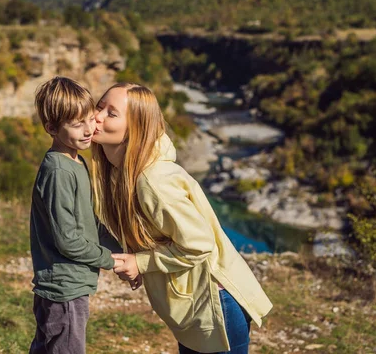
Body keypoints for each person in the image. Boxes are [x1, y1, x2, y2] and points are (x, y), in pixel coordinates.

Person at [91, 83, 273, 354]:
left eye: (111, 113)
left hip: (215, 305)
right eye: (99, 106)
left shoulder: (152, 181)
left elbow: (200, 244)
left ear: (135, 130)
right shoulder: (123, 173)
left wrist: (141, 263)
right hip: (198, 307)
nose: (97, 116)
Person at [29, 77, 122, 354]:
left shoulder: (76, 161)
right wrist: (108, 260)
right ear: (52, 128)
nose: (87, 130)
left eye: (88, 119)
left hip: (67, 287)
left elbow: (89, 222)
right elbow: (67, 240)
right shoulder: (58, 172)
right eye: (75, 124)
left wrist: (121, 252)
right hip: (64, 290)